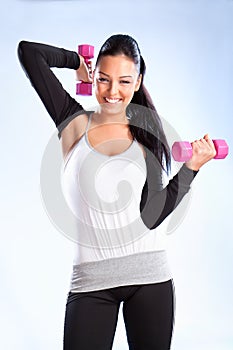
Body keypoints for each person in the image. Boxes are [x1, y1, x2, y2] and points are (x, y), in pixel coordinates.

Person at [17, 34, 216, 350]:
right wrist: (75, 63)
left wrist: (191, 168)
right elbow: (30, 53)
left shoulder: (146, 134)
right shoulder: (73, 123)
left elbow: (151, 216)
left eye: (124, 81)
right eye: (103, 79)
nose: (112, 92)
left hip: (150, 279)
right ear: (94, 76)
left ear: (137, 82)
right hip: (92, 284)